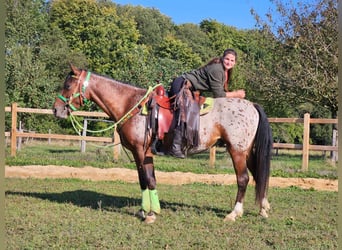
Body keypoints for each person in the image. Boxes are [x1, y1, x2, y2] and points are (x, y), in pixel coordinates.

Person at [168, 48, 245, 158]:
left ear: (235, 62)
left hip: (191, 89)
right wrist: (236, 94)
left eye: (232, 61)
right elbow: (219, 94)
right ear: (222, 58)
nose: (229, 62)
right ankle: (175, 146)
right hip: (182, 84)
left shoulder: (225, 71)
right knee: (185, 111)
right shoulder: (217, 70)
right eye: (227, 59)